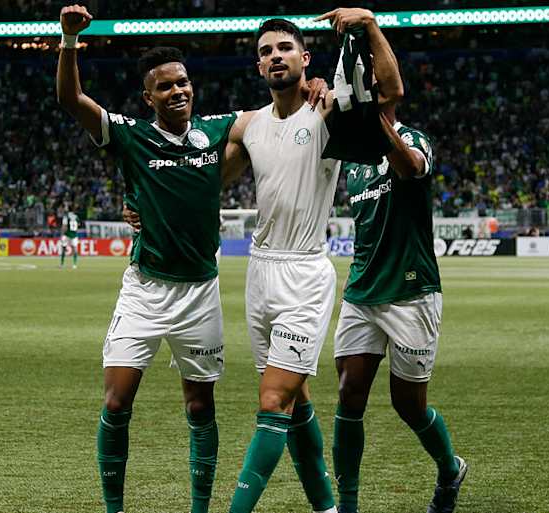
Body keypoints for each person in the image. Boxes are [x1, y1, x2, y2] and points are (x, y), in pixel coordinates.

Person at [57, 6, 247, 513]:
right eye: (165, 87)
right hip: (145, 289)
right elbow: (71, 99)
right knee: (116, 401)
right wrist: (69, 40)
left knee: (200, 406)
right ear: (149, 98)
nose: (177, 91)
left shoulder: (217, 131)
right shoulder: (132, 136)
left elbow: (272, 118)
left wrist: (312, 91)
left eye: (183, 82)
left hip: (200, 292)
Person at [221, 10, 403, 513]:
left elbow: (391, 92)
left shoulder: (328, 110)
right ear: (258, 66)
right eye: (265, 52)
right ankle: (327, 508)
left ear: (305, 58)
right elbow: (200, 182)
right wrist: (142, 207)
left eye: (284, 48)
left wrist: (370, 25)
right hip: (259, 272)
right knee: (294, 399)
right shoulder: (249, 125)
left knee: (272, 400)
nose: (274, 56)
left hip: (303, 274)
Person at [332, 104, 466, 513]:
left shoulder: (411, 138)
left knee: (408, 405)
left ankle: (450, 469)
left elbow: (410, 167)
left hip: (411, 292)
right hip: (362, 291)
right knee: (349, 395)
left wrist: (373, 120)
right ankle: (347, 506)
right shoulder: (352, 161)